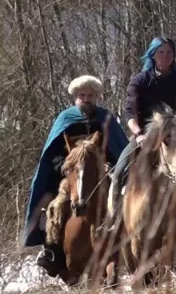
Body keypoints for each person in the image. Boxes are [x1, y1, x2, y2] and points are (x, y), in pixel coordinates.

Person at [21, 75, 128, 277]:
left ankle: (131, 245)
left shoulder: (105, 119)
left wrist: (113, 166)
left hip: (101, 174)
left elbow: (118, 149)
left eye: (90, 95)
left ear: (97, 97)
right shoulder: (65, 119)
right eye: (82, 95)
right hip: (71, 174)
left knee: (123, 199)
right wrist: (64, 166)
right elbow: (51, 153)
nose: (86, 99)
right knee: (57, 206)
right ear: (75, 98)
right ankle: (52, 252)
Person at [107, 36, 176, 245]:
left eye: (169, 52)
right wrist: (138, 133)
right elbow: (130, 112)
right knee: (119, 171)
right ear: (152, 55)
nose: (166, 56)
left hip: (175, 136)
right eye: (161, 52)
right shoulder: (140, 80)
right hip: (146, 136)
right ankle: (113, 223)